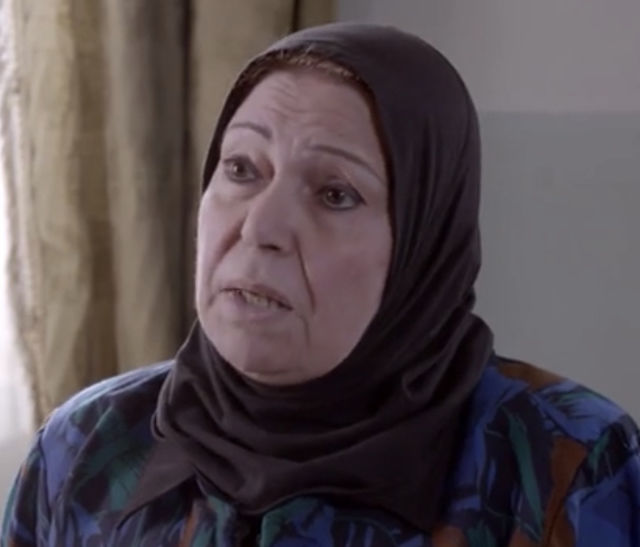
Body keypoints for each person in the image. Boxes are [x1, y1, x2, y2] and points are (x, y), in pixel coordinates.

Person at [2, 22, 639, 547]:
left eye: (335, 194)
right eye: (241, 168)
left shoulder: (567, 465)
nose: (261, 227)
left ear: (424, 246)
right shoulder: (85, 447)